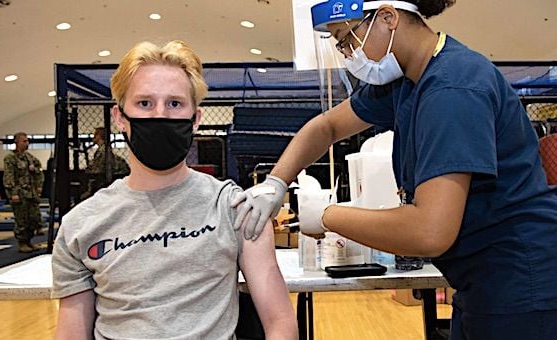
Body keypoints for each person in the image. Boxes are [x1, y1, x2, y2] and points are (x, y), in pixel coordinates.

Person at [232, 0, 557, 339]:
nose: (347, 53)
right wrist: (275, 181)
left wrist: (326, 216)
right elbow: (326, 126)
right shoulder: (410, 80)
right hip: (483, 282)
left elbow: (430, 231)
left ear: (387, 18)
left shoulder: (452, 90)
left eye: (346, 38)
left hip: (521, 284)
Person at [51, 40, 298, 340]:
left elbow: (280, 323)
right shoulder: (80, 224)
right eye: (145, 103)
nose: (160, 115)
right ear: (119, 118)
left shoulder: (236, 208)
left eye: (174, 104)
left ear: (195, 119)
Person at [3, 132, 44, 253]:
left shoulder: (30, 157)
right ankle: (22, 242)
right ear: (16, 142)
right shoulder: (10, 158)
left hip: (30, 193)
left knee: (33, 218)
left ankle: (29, 241)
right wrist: (13, 193)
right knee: (22, 219)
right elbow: (9, 176)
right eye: (24, 141)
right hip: (19, 193)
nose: (27, 143)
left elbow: (39, 171)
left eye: (27, 141)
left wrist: (38, 186)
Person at [81, 126, 130, 199]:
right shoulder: (103, 149)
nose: (93, 137)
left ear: (99, 136)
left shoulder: (103, 151)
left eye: (95, 134)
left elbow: (99, 170)